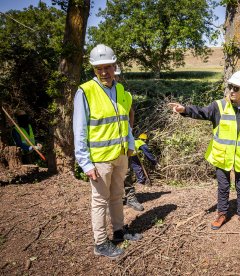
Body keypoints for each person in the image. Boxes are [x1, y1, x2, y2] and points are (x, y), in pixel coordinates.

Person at [168, 70, 240, 231]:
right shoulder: (219, 106)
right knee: (223, 186)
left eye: (236, 88)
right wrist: (184, 109)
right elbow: (201, 112)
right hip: (221, 155)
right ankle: (222, 213)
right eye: (230, 87)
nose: (231, 91)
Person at [73, 44, 142, 259]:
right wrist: (85, 163)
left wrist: (130, 146)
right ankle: (101, 243)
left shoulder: (121, 90)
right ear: (94, 69)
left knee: (117, 196)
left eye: (108, 67)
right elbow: (79, 129)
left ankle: (119, 232)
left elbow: (125, 122)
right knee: (100, 200)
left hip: (120, 155)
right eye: (99, 68)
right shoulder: (85, 91)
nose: (104, 72)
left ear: (115, 66)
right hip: (100, 159)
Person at [114, 66, 145, 212]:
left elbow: (131, 112)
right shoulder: (100, 95)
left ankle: (130, 197)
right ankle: (114, 199)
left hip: (124, 141)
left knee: (126, 170)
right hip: (106, 143)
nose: (115, 78)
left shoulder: (125, 94)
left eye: (117, 75)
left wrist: (130, 130)